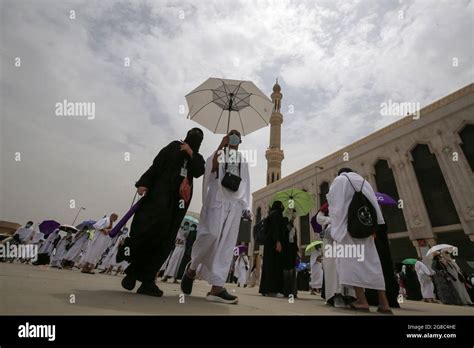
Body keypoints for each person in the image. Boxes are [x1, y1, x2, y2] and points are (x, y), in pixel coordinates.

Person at [119, 128, 205, 297]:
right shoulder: (174, 147)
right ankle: (132, 272)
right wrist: (144, 183)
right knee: (148, 231)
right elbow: (157, 165)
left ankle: (148, 281)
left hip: (177, 206)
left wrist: (191, 153)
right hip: (159, 198)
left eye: (198, 138)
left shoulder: (198, 157)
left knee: (165, 240)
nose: (195, 139)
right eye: (193, 135)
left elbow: (199, 171)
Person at [181, 130, 250, 304]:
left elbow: (245, 182)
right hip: (217, 199)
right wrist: (221, 146)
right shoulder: (219, 153)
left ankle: (217, 287)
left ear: (240, 141)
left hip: (234, 203)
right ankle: (192, 268)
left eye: (236, 136)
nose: (234, 138)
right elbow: (211, 169)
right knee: (210, 235)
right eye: (231, 135)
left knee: (226, 244)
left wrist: (244, 206)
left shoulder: (242, 159)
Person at [327, 168, 392, 314]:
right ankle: (384, 303)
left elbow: (335, 207)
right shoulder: (364, 181)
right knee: (372, 263)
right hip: (366, 227)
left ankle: (362, 301)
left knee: (353, 263)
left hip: (350, 229)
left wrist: (337, 229)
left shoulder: (340, 180)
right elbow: (374, 204)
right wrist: (376, 226)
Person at [259, 201, 286, 297]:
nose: (283, 207)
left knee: (268, 266)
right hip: (273, 244)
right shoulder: (275, 215)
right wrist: (278, 241)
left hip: (269, 244)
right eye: (281, 205)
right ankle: (272, 290)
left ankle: (265, 289)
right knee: (274, 266)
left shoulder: (272, 214)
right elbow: (275, 229)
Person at [281, 210, 299, 298]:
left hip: (292, 252)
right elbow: (284, 236)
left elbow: (295, 240)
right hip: (286, 251)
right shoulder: (285, 227)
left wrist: (297, 251)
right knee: (286, 271)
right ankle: (286, 291)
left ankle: (293, 291)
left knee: (292, 270)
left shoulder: (294, 229)